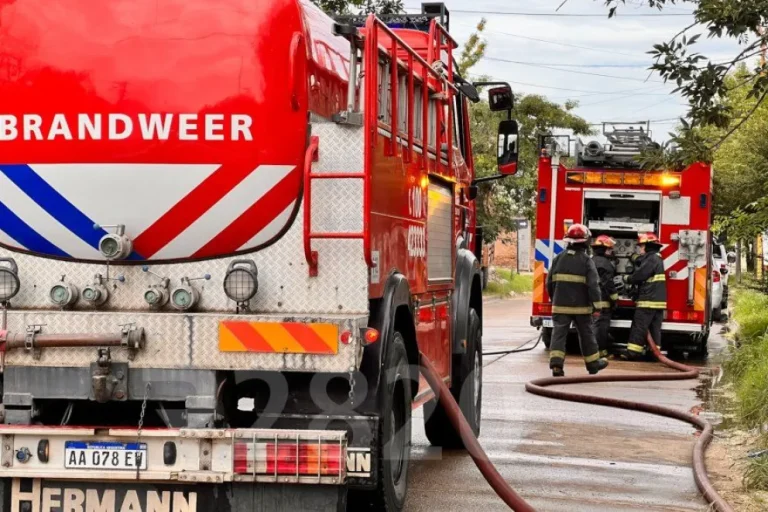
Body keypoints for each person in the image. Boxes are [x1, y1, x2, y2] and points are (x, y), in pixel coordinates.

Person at [547, 224, 609, 377]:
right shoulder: (587, 261)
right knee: (586, 334)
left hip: (560, 306)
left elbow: (549, 282)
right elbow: (593, 285)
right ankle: (593, 365)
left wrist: (554, 299)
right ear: (585, 242)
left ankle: (556, 365)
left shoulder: (558, 259)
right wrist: (597, 306)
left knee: (558, 334)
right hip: (582, 308)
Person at [623, 232, 667, 360]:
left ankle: (632, 353)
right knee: (654, 329)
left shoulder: (652, 258)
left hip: (648, 300)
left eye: (642, 246)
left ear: (648, 246)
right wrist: (634, 257)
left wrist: (627, 278)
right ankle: (654, 354)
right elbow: (641, 260)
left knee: (639, 326)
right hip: (657, 301)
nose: (640, 249)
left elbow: (640, 275)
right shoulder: (656, 257)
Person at [591, 235, 618, 358]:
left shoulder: (590, 260)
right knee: (601, 328)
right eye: (610, 249)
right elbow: (608, 285)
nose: (611, 251)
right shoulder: (606, 265)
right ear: (605, 250)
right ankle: (600, 352)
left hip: (589, 301)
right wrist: (614, 299)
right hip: (602, 302)